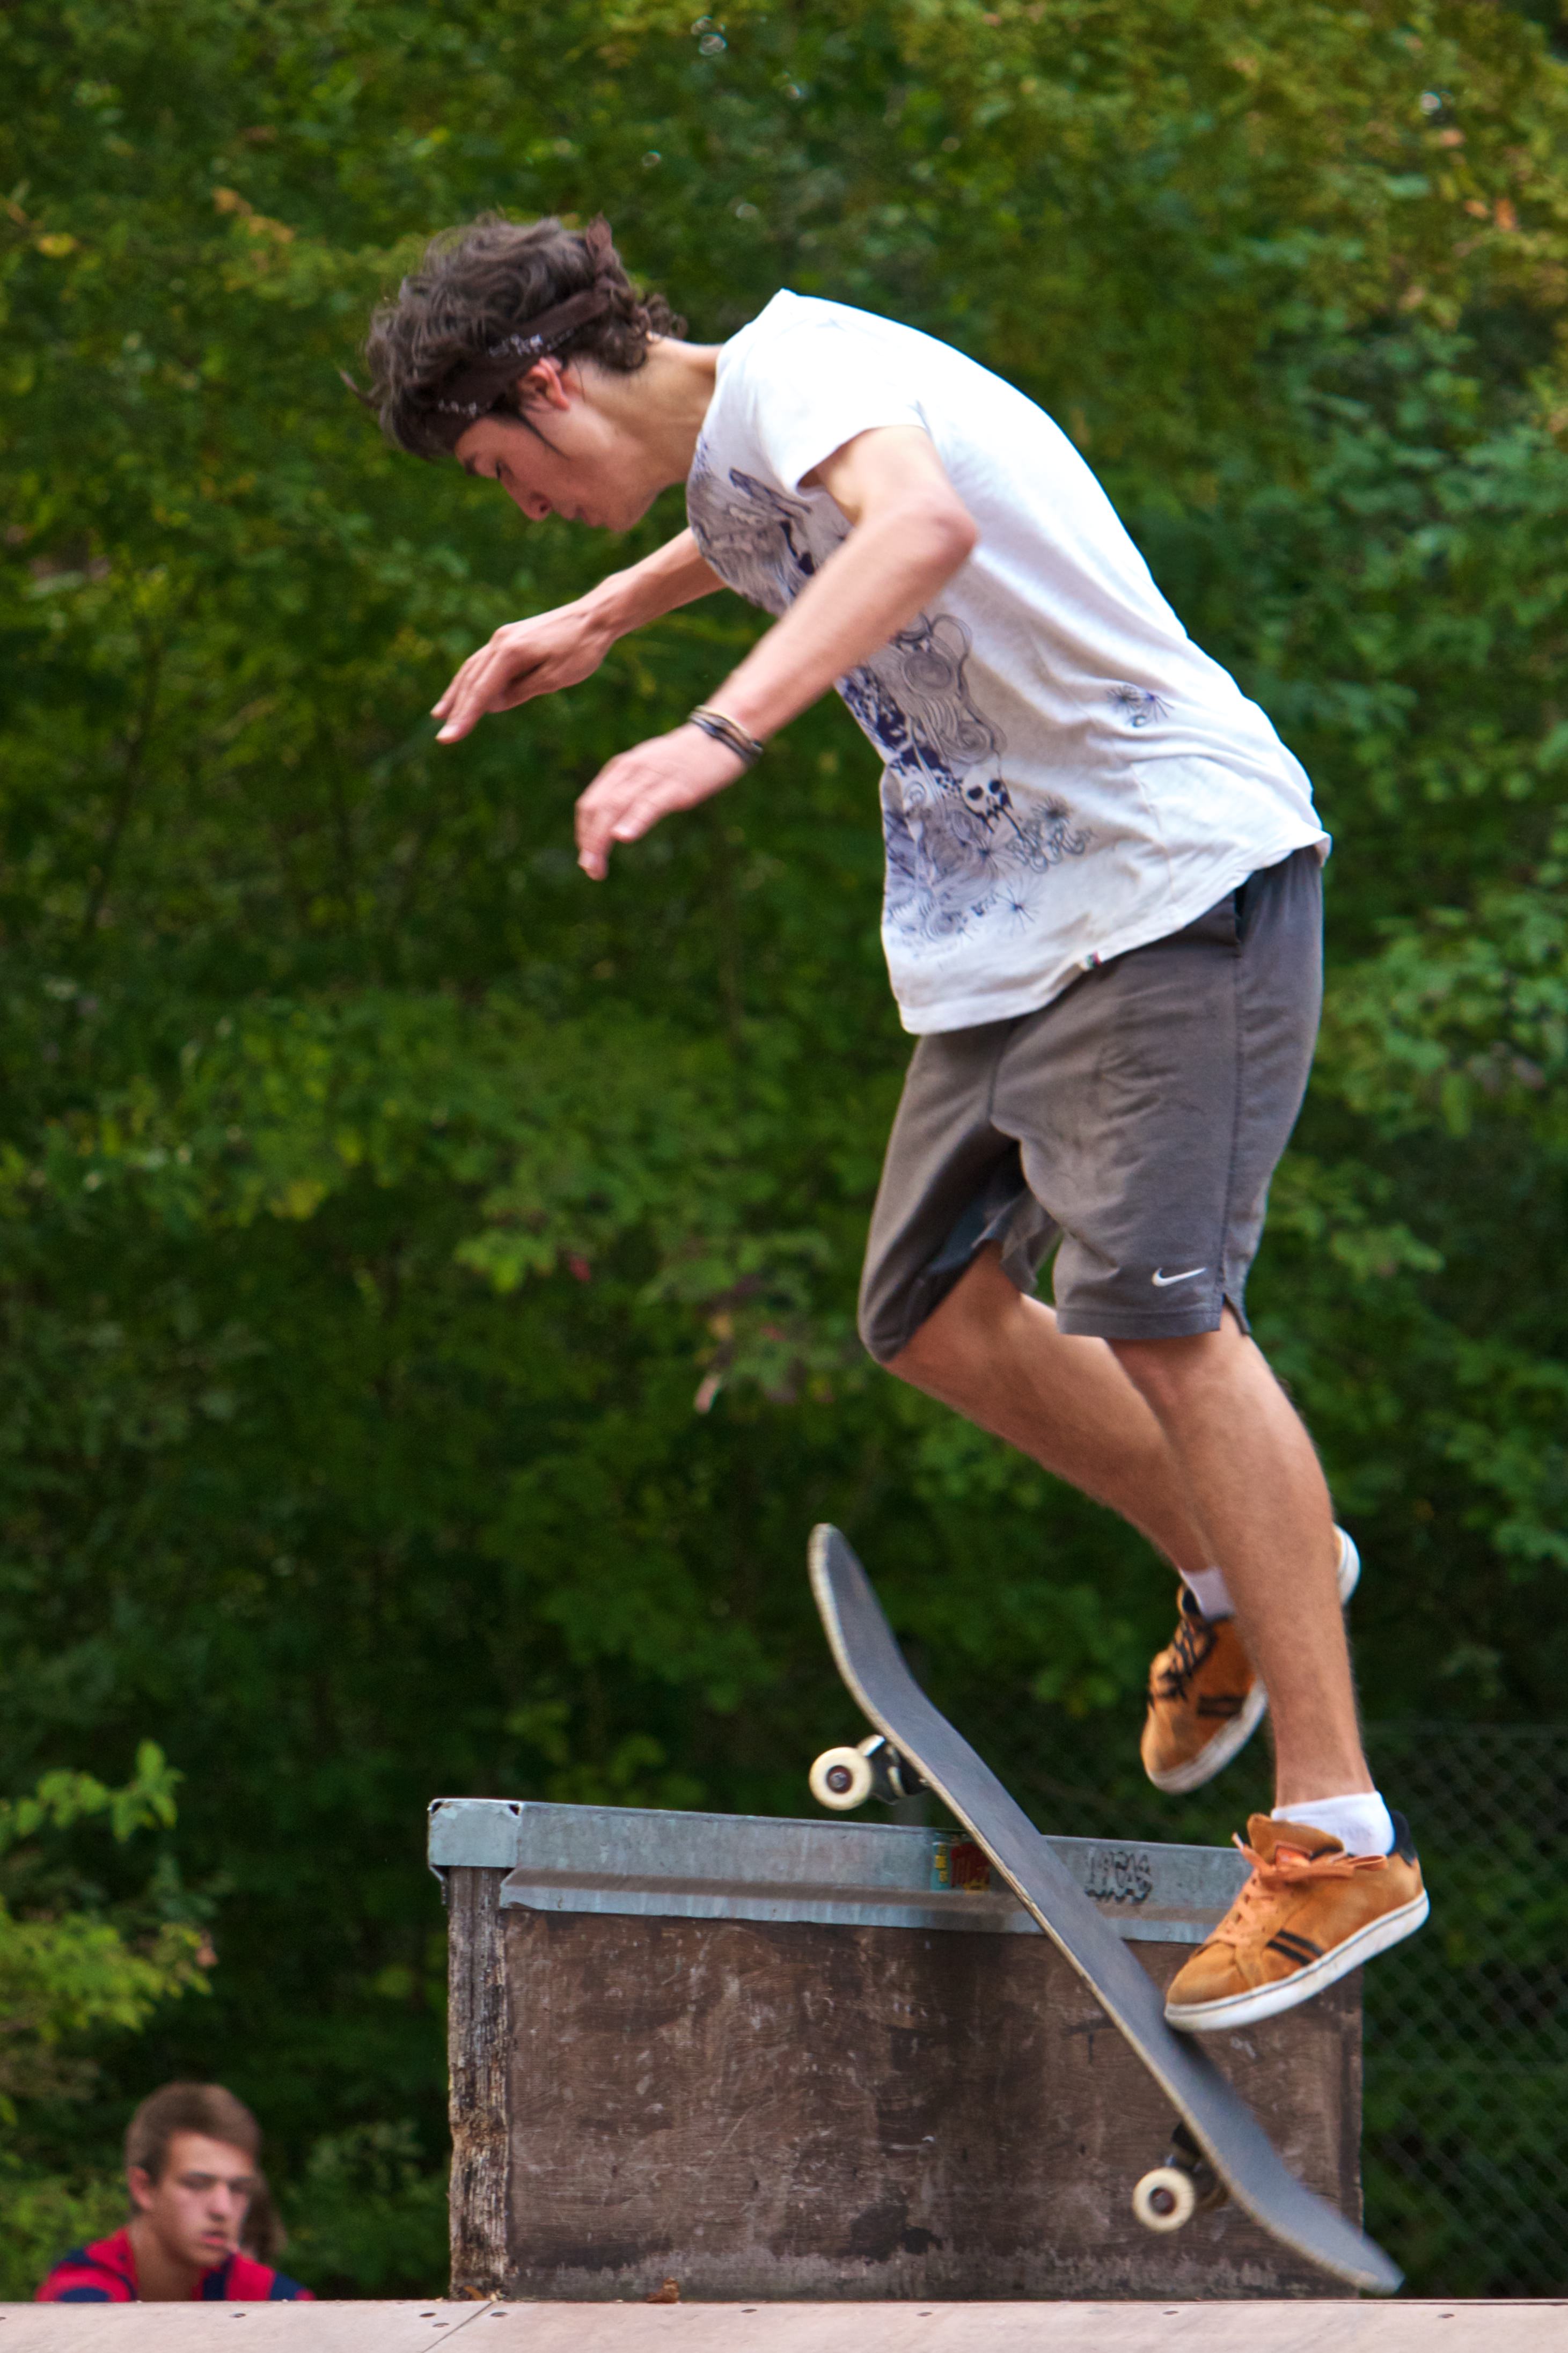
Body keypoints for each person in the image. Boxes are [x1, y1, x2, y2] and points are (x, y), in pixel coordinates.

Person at [358, 212, 1429, 2029]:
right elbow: (755, 524)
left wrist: (720, 731)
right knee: (925, 1311)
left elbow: (920, 527)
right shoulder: (739, 446)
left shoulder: (815, 367)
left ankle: (1339, 1835)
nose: (521, 507)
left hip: (1168, 881)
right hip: (1005, 934)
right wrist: (600, 615)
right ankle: (1241, 1573)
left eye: (496, 468)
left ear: (545, 385)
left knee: (1161, 1312)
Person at [35, 2081, 312, 2302]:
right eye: (197, 2184)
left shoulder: (274, 2299)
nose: (223, 2208)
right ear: (144, 2188)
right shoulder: (81, 2298)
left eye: (239, 2189)